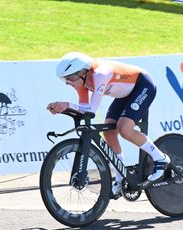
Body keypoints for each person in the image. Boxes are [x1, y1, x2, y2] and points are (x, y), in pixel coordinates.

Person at [47, 52, 170, 197]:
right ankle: (120, 179)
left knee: (124, 129)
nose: (69, 83)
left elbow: (92, 108)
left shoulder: (100, 74)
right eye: (65, 80)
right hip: (124, 95)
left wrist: (67, 104)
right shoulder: (81, 83)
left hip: (143, 85)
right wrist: (64, 109)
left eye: (70, 78)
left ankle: (160, 158)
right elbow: (85, 111)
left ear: (83, 72)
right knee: (109, 132)